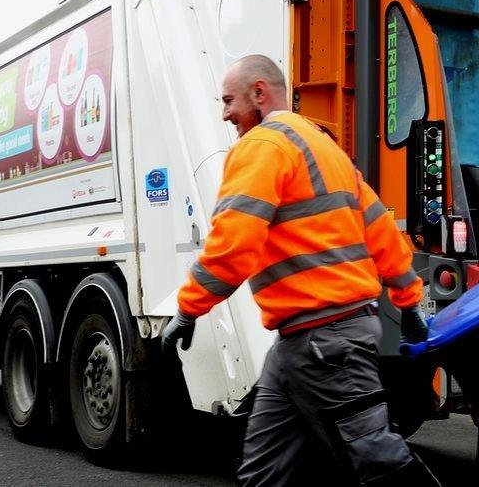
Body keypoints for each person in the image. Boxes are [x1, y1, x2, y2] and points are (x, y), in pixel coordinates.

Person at [162, 54, 439, 486]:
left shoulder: (260, 147)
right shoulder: (325, 148)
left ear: (259, 92)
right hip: (305, 342)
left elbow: (233, 243)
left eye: (229, 100)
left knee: (378, 460)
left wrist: (187, 310)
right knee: (264, 472)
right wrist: (407, 303)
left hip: (325, 340)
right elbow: (380, 230)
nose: (225, 113)